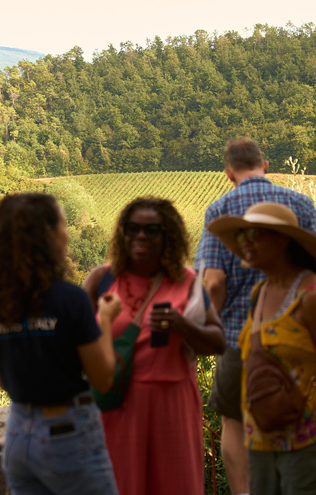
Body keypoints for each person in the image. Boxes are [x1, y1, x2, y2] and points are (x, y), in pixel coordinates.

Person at [194, 137, 316, 495]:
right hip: (301, 338)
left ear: (228, 173)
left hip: (240, 339)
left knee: (233, 420)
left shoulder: (220, 211)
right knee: (299, 416)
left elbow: (213, 283)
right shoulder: (299, 204)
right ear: (266, 165)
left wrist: (206, 331)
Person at [208, 201, 316, 495]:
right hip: (263, 445)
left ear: (282, 240)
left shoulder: (313, 296)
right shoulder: (259, 293)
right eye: (242, 235)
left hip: (314, 447)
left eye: (255, 234)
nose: (245, 242)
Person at [0, 193, 121, 495]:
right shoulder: (69, 299)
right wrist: (105, 319)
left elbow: (2, 380)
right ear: (49, 236)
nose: (67, 233)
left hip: (16, 436)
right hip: (67, 434)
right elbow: (104, 379)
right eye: (63, 225)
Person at [83, 197, 227, 495]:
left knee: (174, 485)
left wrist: (182, 325)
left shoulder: (187, 283)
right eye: (132, 228)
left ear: (168, 235)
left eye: (151, 230)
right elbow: (75, 340)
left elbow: (218, 340)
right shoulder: (103, 279)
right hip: (116, 404)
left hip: (172, 406)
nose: (140, 236)